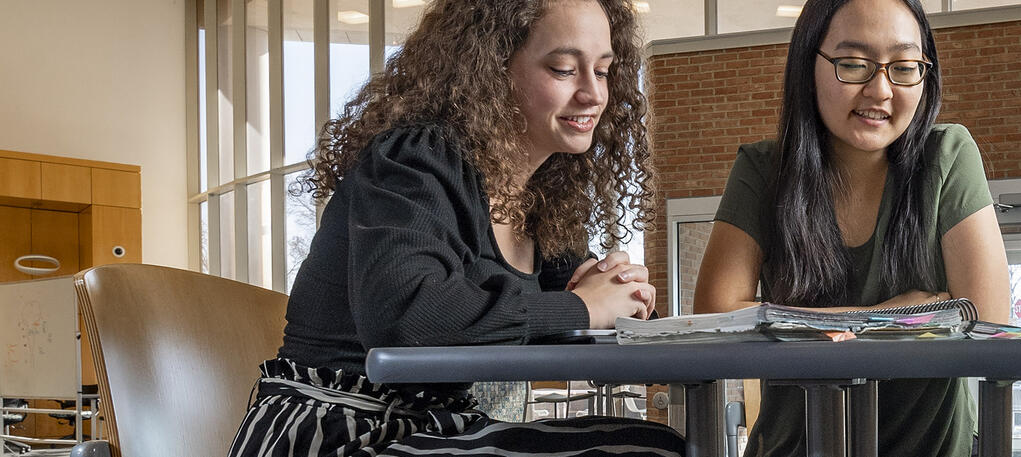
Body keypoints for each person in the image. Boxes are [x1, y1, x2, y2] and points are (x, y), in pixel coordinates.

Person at [226, 0, 683, 455]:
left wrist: (627, 299)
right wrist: (582, 308)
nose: (593, 93)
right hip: (340, 429)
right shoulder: (414, 159)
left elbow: (570, 308)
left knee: (657, 443)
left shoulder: (545, 197)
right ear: (492, 68)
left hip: (435, 431)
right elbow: (408, 318)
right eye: (564, 69)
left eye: (602, 71)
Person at [692, 0, 1010, 455]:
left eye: (903, 67)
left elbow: (987, 316)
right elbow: (714, 318)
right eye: (854, 64)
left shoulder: (947, 155)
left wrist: (793, 321)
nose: (881, 90)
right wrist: (892, 315)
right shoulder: (764, 170)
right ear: (810, 67)